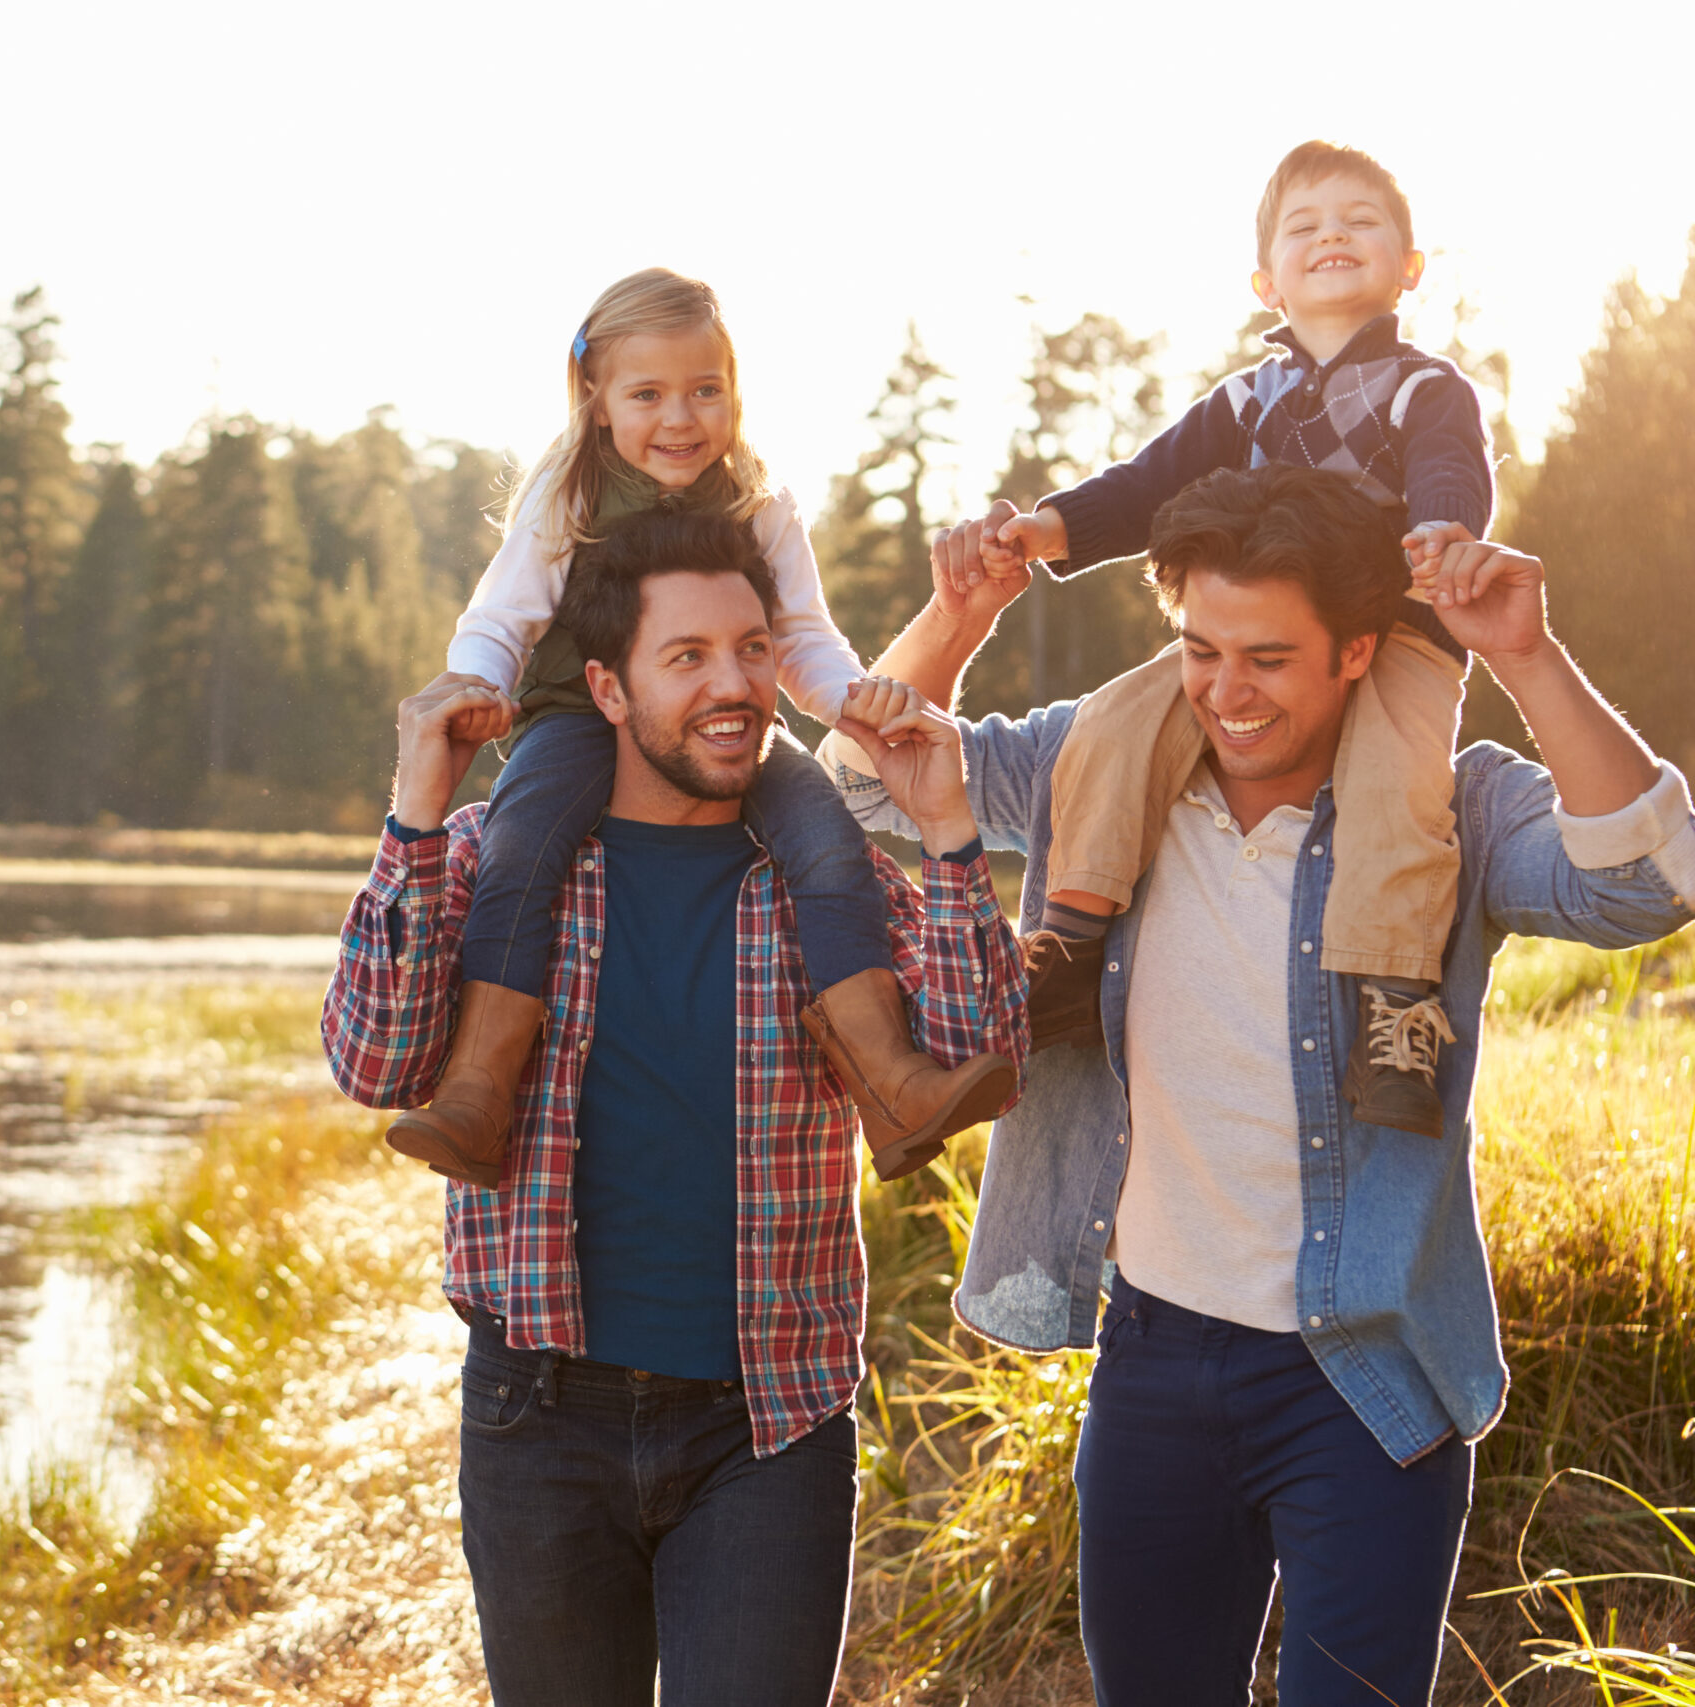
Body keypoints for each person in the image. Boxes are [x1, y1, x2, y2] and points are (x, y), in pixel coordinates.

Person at [843, 464, 1695, 1706]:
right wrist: (961, 619)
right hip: (1152, 1360)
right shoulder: (1099, 769)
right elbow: (869, 779)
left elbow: (1646, 886)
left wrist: (1526, 652)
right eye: (1199, 649)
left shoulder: (1444, 806)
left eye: (1268, 660)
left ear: (1357, 651)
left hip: (1360, 1373)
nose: (1224, 693)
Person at [323, 508, 1027, 1705]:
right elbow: (377, 1067)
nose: (736, 685)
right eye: (687, 656)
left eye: (753, 651)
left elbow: (984, 1051)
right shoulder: (508, 861)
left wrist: (950, 827)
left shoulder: (824, 878)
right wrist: (414, 817)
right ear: (606, 686)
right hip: (538, 1415)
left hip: (769, 1421)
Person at [389, 266, 982, 1188]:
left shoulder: (757, 500)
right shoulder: (569, 495)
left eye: (706, 390)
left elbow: (799, 635)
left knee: (825, 836)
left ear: (735, 392)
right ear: (595, 400)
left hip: (721, 721)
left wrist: (848, 698)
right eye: (649, 394)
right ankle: (477, 1088)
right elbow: (501, 616)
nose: (681, 418)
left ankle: (891, 1080)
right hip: (571, 716)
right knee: (524, 839)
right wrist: (476, 683)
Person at [949, 140, 1494, 1139]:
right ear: (1265, 278)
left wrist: (1445, 535)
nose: (1332, 234)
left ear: (1408, 266)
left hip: (1396, 624)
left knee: (1399, 773)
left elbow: (1452, 473)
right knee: (1112, 723)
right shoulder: (1247, 400)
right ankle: (1070, 941)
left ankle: (1394, 1002)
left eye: (1360, 221)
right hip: (1248, 634)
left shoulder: (1425, 391)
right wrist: (1053, 528)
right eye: (1304, 226)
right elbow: (1147, 482)